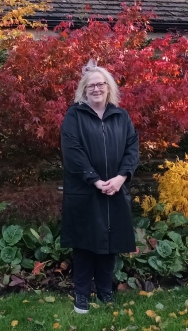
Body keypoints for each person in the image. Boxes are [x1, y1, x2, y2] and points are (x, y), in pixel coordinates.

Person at [60, 60, 140, 314]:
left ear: (108, 87)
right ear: (84, 90)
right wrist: (95, 179)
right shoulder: (74, 116)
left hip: (115, 189)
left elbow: (132, 149)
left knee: (109, 242)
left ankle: (106, 291)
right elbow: (72, 152)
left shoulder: (121, 116)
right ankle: (81, 294)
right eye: (91, 85)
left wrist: (120, 178)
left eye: (100, 84)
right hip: (84, 191)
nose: (96, 89)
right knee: (84, 244)